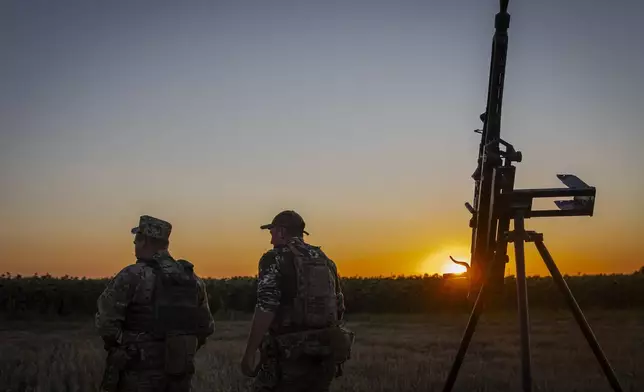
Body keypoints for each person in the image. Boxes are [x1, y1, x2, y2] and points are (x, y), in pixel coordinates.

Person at [95, 215, 215, 392]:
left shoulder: (131, 275)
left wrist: (126, 348)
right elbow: (206, 327)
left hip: (137, 375)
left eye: (136, 239)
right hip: (178, 376)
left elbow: (106, 324)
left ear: (144, 241)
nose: (134, 244)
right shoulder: (192, 279)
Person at [241, 210, 354, 392]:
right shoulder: (326, 260)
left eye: (272, 234)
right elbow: (339, 307)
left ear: (282, 232)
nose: (271, 241)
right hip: (325, 354)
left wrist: (250, 353)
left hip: (289, 354)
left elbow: (266, 307)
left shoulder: (274, 258)